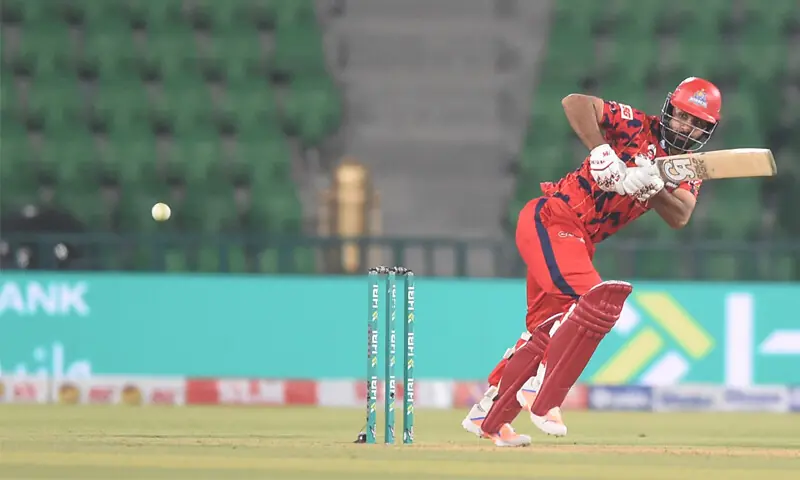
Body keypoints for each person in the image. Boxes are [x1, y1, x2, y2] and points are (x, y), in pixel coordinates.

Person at [461, 77, 723, 446]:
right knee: (593, 300)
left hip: (580, 243)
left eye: (699, 123)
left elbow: (680, 215)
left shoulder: (686, 167)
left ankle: (489, 417)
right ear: (670, 110)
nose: (688, 127)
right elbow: (575, 102)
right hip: (552, 217)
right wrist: (604, 153)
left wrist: (653, 188)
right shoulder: (636, 125)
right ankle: (543, 392)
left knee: (543, 332)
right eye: (684, 116)